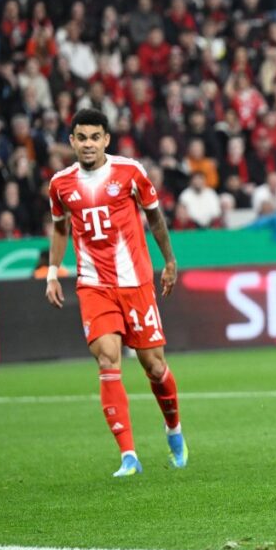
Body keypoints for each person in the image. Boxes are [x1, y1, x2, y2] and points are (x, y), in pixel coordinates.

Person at [45, 109, 186, 477]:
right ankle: (129, 456)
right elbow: (60, 229)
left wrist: (169, 261)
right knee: (108, 359)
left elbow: (155, 217)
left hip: (136, 283)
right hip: (93, 285)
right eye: (81, 137)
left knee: (154, 367)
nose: (88, 144)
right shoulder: (61, 184)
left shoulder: (130, 172)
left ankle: (174, 431)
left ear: (106, 139)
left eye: (95, 137)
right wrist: (52, 272)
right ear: (72, 141)